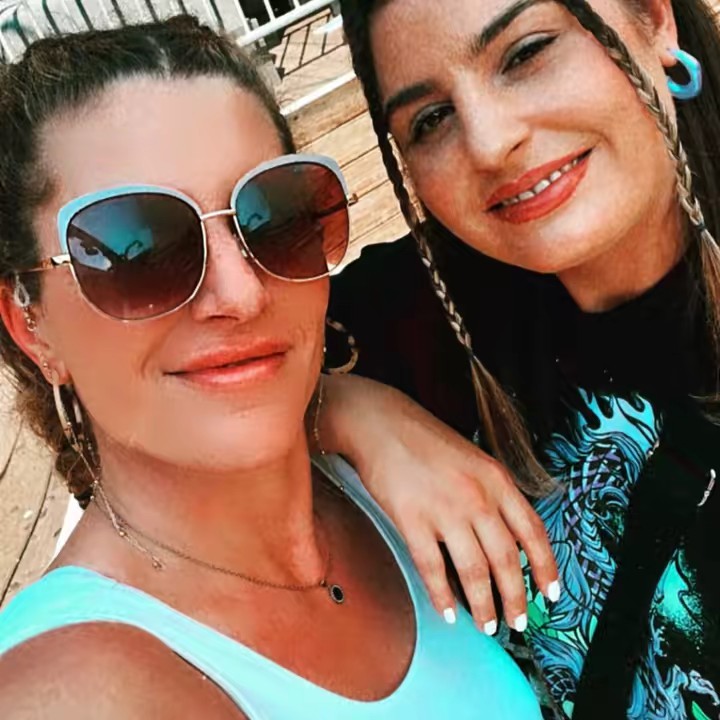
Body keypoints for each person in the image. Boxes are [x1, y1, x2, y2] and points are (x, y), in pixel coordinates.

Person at [0, 17, 542, 720]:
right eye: (139, 250)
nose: (242, 294)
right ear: (31, 323)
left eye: (272, 218)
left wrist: (351, 407)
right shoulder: (65, 689)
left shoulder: (385, 489)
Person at [308, 0, 720, 717]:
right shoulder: (423, 316)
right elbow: (142, 408)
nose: (490, 143)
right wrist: (346, 411)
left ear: (655, 20)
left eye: (527, 53)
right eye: (431, 119)